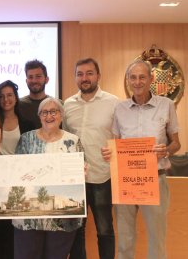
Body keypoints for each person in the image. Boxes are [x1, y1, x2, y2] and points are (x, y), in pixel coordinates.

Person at [101, 60, 180, 259]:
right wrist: (109, 153)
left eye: (142, 77)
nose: (137, 82)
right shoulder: (120, 109)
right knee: (125, 239)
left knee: (156, 238)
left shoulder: (167, 105)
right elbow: (116, 144)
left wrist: (166, 151)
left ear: (151, 79)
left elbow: (176, 143)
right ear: (128, 80)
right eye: (133, 77)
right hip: (126, 181)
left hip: (155, 178)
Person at [14, 97, 83, 259]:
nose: (49, 116)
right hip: (29, 216)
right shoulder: (26, 139)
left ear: (61, 115)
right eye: (44, 112)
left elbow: (81, 170)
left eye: (54, 111)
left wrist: (82, 171)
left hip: (61, 218)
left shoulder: (73, 141)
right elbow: (15, 171)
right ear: (39, 116)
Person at [64, 58, 118, 259]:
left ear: (98, 76)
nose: (84, 78)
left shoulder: (113, 102)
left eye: (89, 73)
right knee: (77, 231)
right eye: (80, 74)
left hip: (102, 176)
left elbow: (121, 137)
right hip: (75, 179)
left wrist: (115, 150)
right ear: (75, 77)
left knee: (105, 230)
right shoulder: (67, 104)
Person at [0, 80, 33, 259]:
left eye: (10, 95)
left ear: (16, 98)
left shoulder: (27, 124)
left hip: (18, 187)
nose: (6, 99)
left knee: (12, 234)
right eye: (2, 96)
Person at [18, 59, 50, 130]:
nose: (34, 81)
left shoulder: (55, 104)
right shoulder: (18, 105)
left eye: (38, 76)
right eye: (30, 77)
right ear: (26, 81)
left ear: (46, 79)